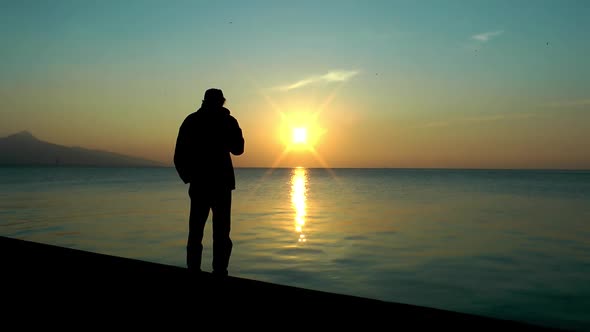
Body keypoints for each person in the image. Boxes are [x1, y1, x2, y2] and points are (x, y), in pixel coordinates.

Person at [174, 88, 244, 276]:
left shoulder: (194, 121)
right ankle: (217, 271)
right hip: (214, 184)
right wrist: (189, 177)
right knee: (213, 232)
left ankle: (202, 270)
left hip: (207, 184)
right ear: (221, 101)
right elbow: (239, 149)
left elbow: (238, 149)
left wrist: (189, 177)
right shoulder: (221, 121)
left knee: (202, 231)